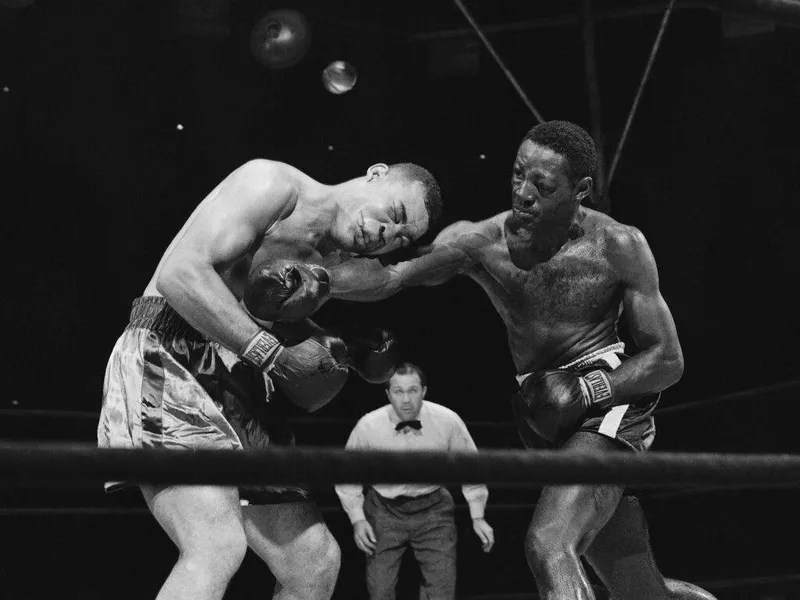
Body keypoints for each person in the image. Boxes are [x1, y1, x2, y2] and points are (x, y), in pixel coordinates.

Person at [326, 121, 716, 600]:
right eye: (517, 175)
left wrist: (588, 390)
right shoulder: (480, 243)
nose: (524, 193)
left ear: (582, 191)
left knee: (548, 546)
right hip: (543, 413)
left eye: (543, 185)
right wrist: (318, 278)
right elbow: (393, 278)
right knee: (638, 590)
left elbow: (668, 359)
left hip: (608, 400)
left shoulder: (618, 245)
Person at [97, 158, 442, 600]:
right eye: (394, 215)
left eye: (400, 237)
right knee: (215, 545)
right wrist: (272, 354)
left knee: (313, 562)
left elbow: (303, 386)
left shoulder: (333, 268)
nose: (385, 234)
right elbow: (179, 275)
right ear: (376, 173)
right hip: (168, 349)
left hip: (237, 377)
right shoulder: (274, 186)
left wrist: (338, 357)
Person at [335, 362, 495, 600]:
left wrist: (478, 515)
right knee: (380, 589)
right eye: (398, 391)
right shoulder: (369, 425)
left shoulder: (447, 420)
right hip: (383, 509)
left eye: (412, 390)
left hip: (433, 509)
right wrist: (357, 518)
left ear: (424, 391)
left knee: (441, 590)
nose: (406, 399)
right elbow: (347, 474)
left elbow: (471, 468)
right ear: (388, 394)